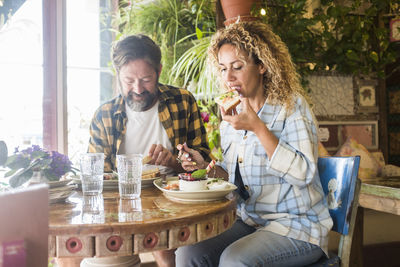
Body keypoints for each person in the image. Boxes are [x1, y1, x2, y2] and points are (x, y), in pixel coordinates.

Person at [176, 20, 333, 267]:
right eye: (223, 69)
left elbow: (304, 174)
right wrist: (206, 166)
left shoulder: (291, 107)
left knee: (234, 261)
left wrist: (258, 127)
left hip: (297, 226)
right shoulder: (231, 117)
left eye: (237, 67)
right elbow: (234, 182)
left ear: (262, 65)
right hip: (250, 221)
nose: (228, 77)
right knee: (188, 253)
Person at [88, 34, 212, 267]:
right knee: (102, 263)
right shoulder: (104, 115)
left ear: (159, 71)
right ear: (117, 75)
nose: (137, 89)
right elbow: (99, 177)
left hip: (175, 203)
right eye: (128, 80)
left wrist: (175, 163)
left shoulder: (182, 102)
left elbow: (204, 162)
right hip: (123, 209)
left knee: (168, 252)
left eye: (146, 79)